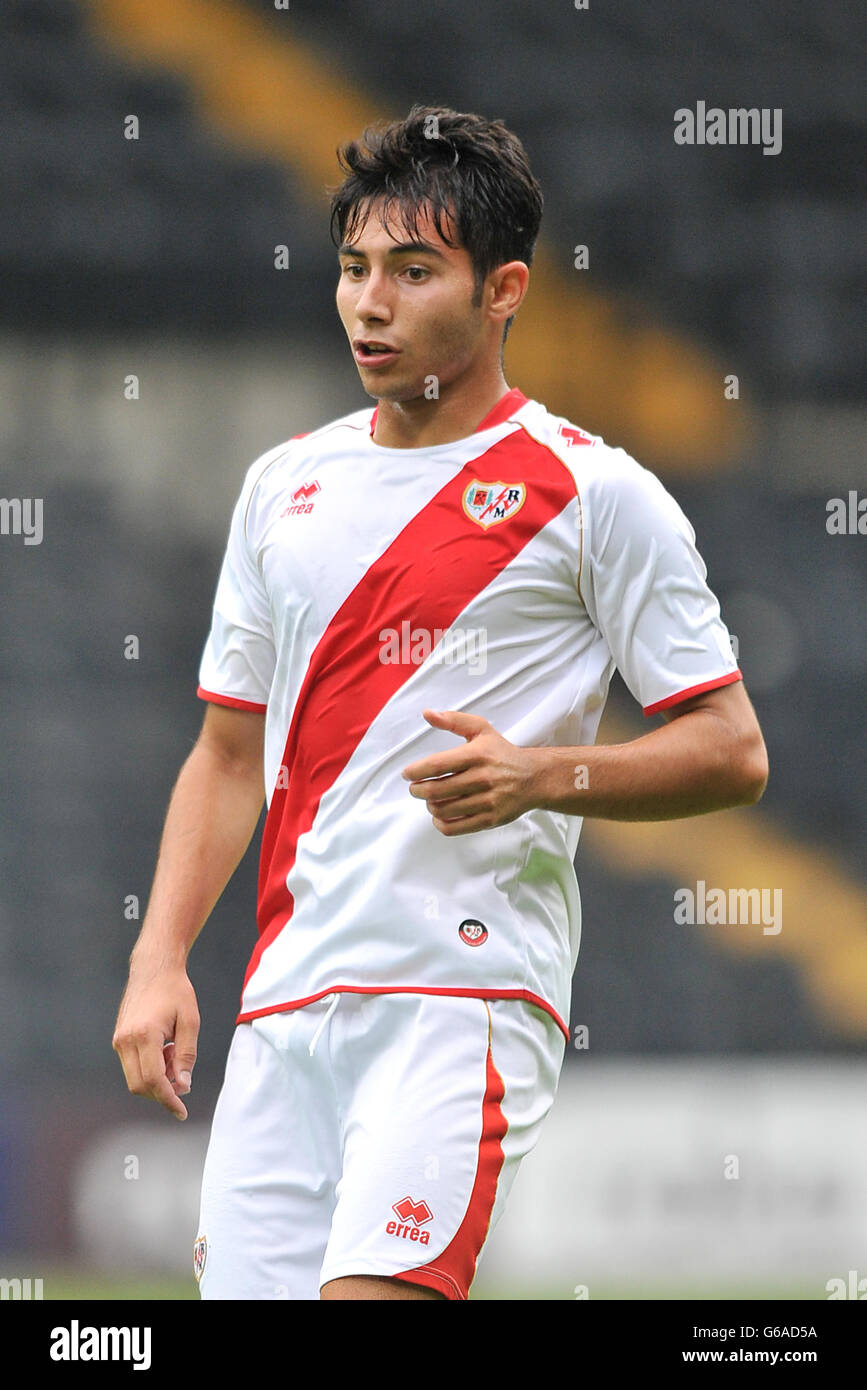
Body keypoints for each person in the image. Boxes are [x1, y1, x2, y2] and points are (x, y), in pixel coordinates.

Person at [112, 104, 768, 1301]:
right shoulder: (283, 486)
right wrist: (160, 958)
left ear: (504, 288)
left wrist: (541, 774)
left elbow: (731, 750)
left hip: (457, 1001)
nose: (372, 302)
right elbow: (224, 753)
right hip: (286, 1004)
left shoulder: (596, 494)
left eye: (415, 272)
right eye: (356, 269)